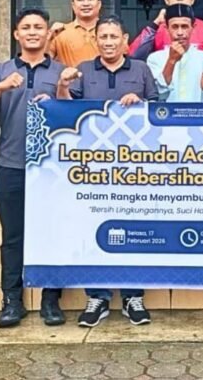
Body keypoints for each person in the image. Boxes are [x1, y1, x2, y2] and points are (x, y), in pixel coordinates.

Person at [55, 16, 158, 326]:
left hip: (133, 165)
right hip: (92, 166)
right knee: (91, 227)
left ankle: (132, 296)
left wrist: (140, 102)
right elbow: (65, 110)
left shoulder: (141, 69)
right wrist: (62, 85)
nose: (109, 42)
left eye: (114, 36)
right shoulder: (83, 70)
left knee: (133, 228)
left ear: (125, 40)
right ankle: (97, 296)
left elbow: (157, 111)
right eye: (103, 37)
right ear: (96, 40)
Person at [0, 8, 69, 328]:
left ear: (47, 33)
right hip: (11, 164)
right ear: (16, 34)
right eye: (26, 27)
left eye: (38, 27)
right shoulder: (0, 70)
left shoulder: (61, 71)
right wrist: (0, 87)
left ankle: (50, 300)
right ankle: (12, 300)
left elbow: (74, 115)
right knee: (13, 237)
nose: (32, 32)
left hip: (53, 168)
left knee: (53, 233)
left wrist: (59, 95)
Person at [146, 4, 203, 102]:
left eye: (184, 26)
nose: (180, 32)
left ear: (193, 27)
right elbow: (157, 94)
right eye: (175, 27)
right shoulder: (154, 59)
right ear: (167, 28)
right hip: (167, 112)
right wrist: (171, 61)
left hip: (198, 112)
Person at [48, 0, 103, 68]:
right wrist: (48, 38)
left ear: (99, 4)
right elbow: (43, 62)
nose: (86, 3)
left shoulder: (109, 33)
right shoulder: (60, 32)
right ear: (73, 5)